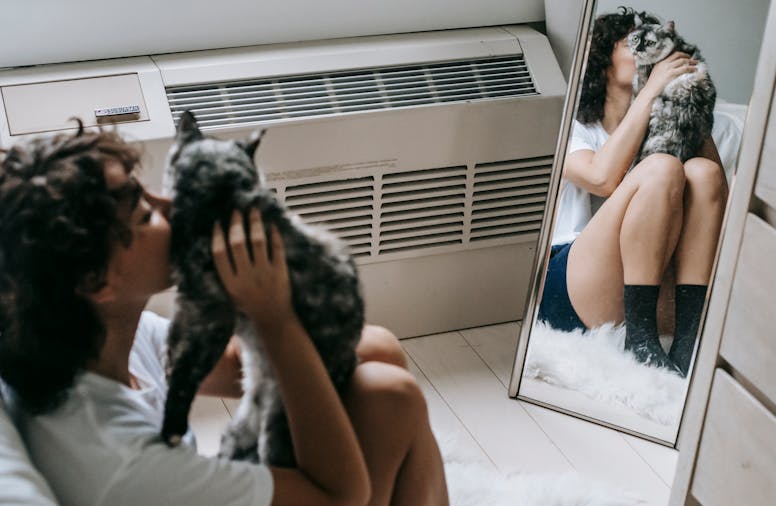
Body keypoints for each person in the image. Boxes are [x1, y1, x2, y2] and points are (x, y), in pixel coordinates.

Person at [0, 125, 449, 506]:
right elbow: (339, 496)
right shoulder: (120, 462)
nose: (171, 206)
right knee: (392, 398)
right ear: (98, 282)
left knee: (377, 349)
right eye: (144, 213)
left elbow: (233, 364)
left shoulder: (85, 341)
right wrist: (275, 319)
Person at [537, 7, 728, 376]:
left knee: (703, 173)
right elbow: (601, 178)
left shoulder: (670, 125)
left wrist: (686, 105)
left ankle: (688, 339)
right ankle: (639, 341)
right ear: (603, 59)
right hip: (574, 284)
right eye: (631, 42)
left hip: (657, 287)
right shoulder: (573, 127)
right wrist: (652, 87)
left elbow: (719, 199)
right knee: (660, 167)